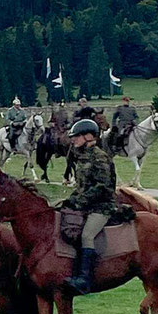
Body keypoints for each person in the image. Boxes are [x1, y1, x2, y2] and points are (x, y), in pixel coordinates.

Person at [63, 118, 117, 295]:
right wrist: (70, 200)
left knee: (86, 235)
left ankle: (85, 279)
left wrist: (79, 201)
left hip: (101, 207)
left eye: (76, 136)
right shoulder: (82, 156)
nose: (73, 140)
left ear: (88, 136)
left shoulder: (100, 157)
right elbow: (82, 186)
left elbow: (101, 187)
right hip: (86, 205)